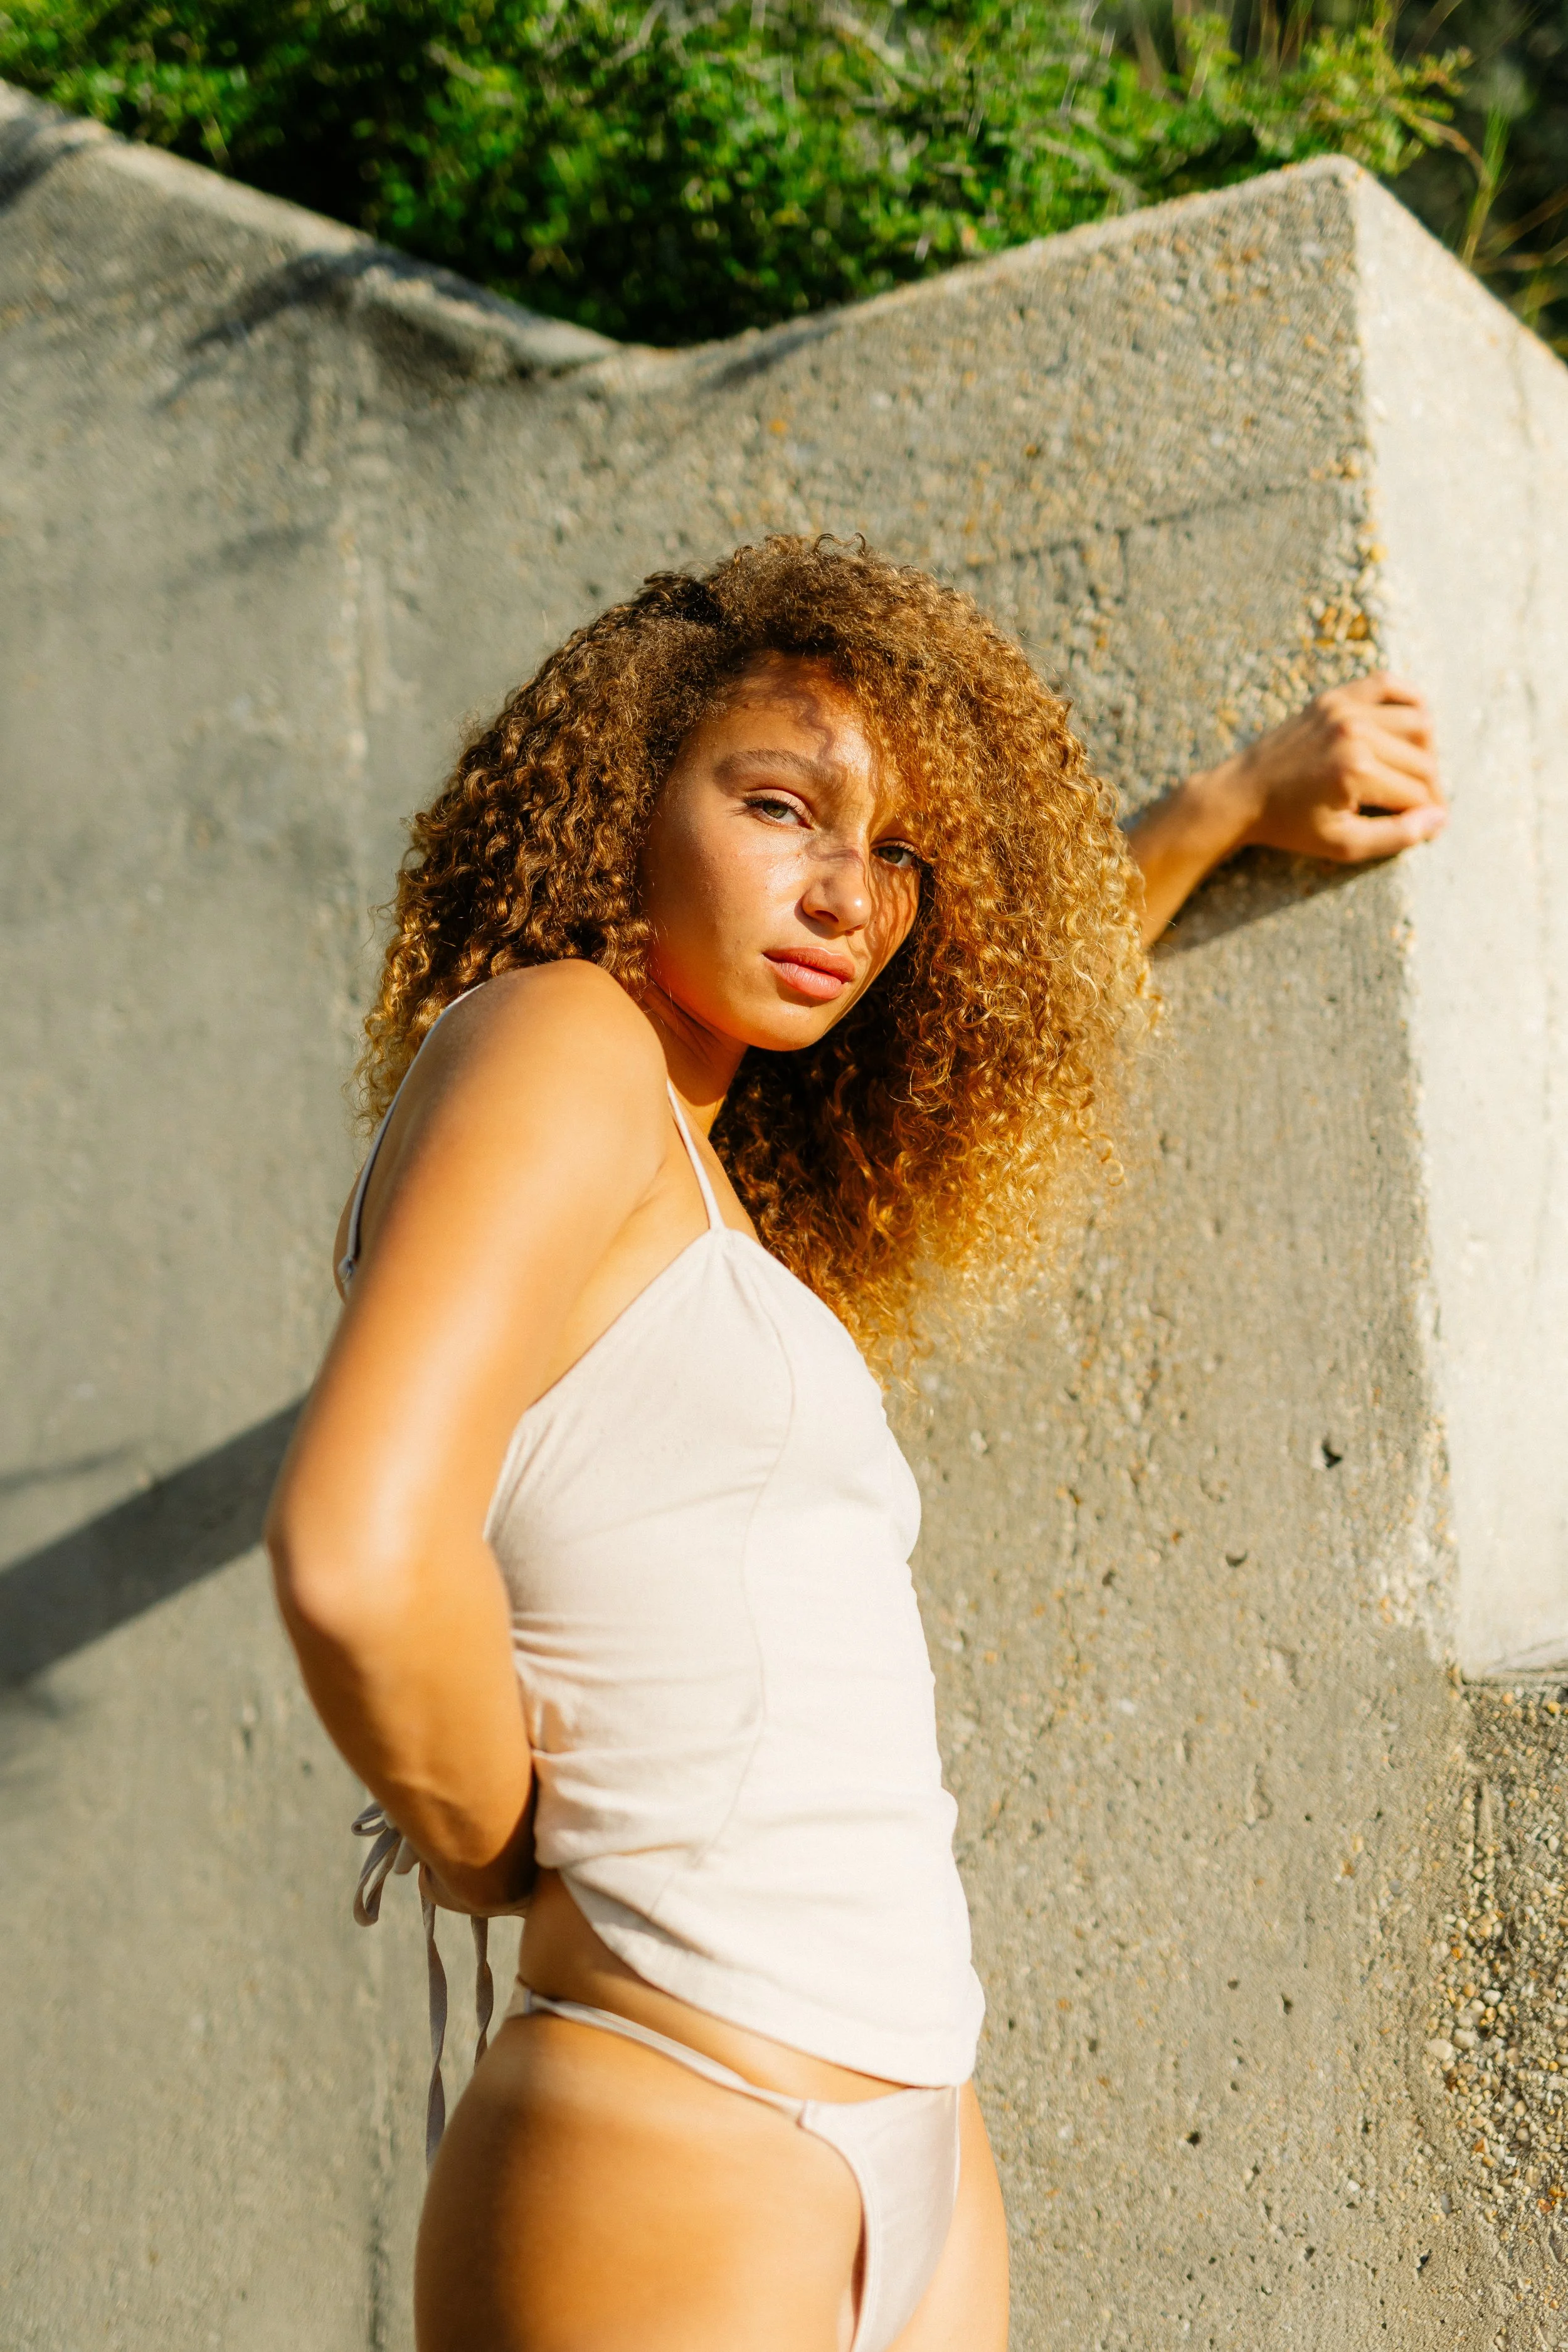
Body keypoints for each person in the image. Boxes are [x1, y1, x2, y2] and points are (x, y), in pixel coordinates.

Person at [265, 536, 1443, 2352]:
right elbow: (355, 1550)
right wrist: (497, 1842)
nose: (844, 893)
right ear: (618, 809)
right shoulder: (558, 1043)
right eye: (776, 806)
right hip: (677, 2118)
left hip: (907, 2117)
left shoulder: (704, 1183)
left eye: (896, 853)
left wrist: (1214, 812)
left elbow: (1001, 1021)